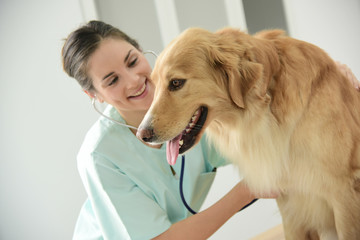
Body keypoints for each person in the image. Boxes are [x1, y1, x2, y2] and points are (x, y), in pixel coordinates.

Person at [62, 20, 359, 240]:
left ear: (141, 52)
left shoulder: (199, 111)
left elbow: (265, 103)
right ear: (95, 95)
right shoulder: (100, 157)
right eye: (112, 80)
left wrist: (328, 79)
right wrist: (245, 192)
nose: (133, 81)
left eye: (132, 61)